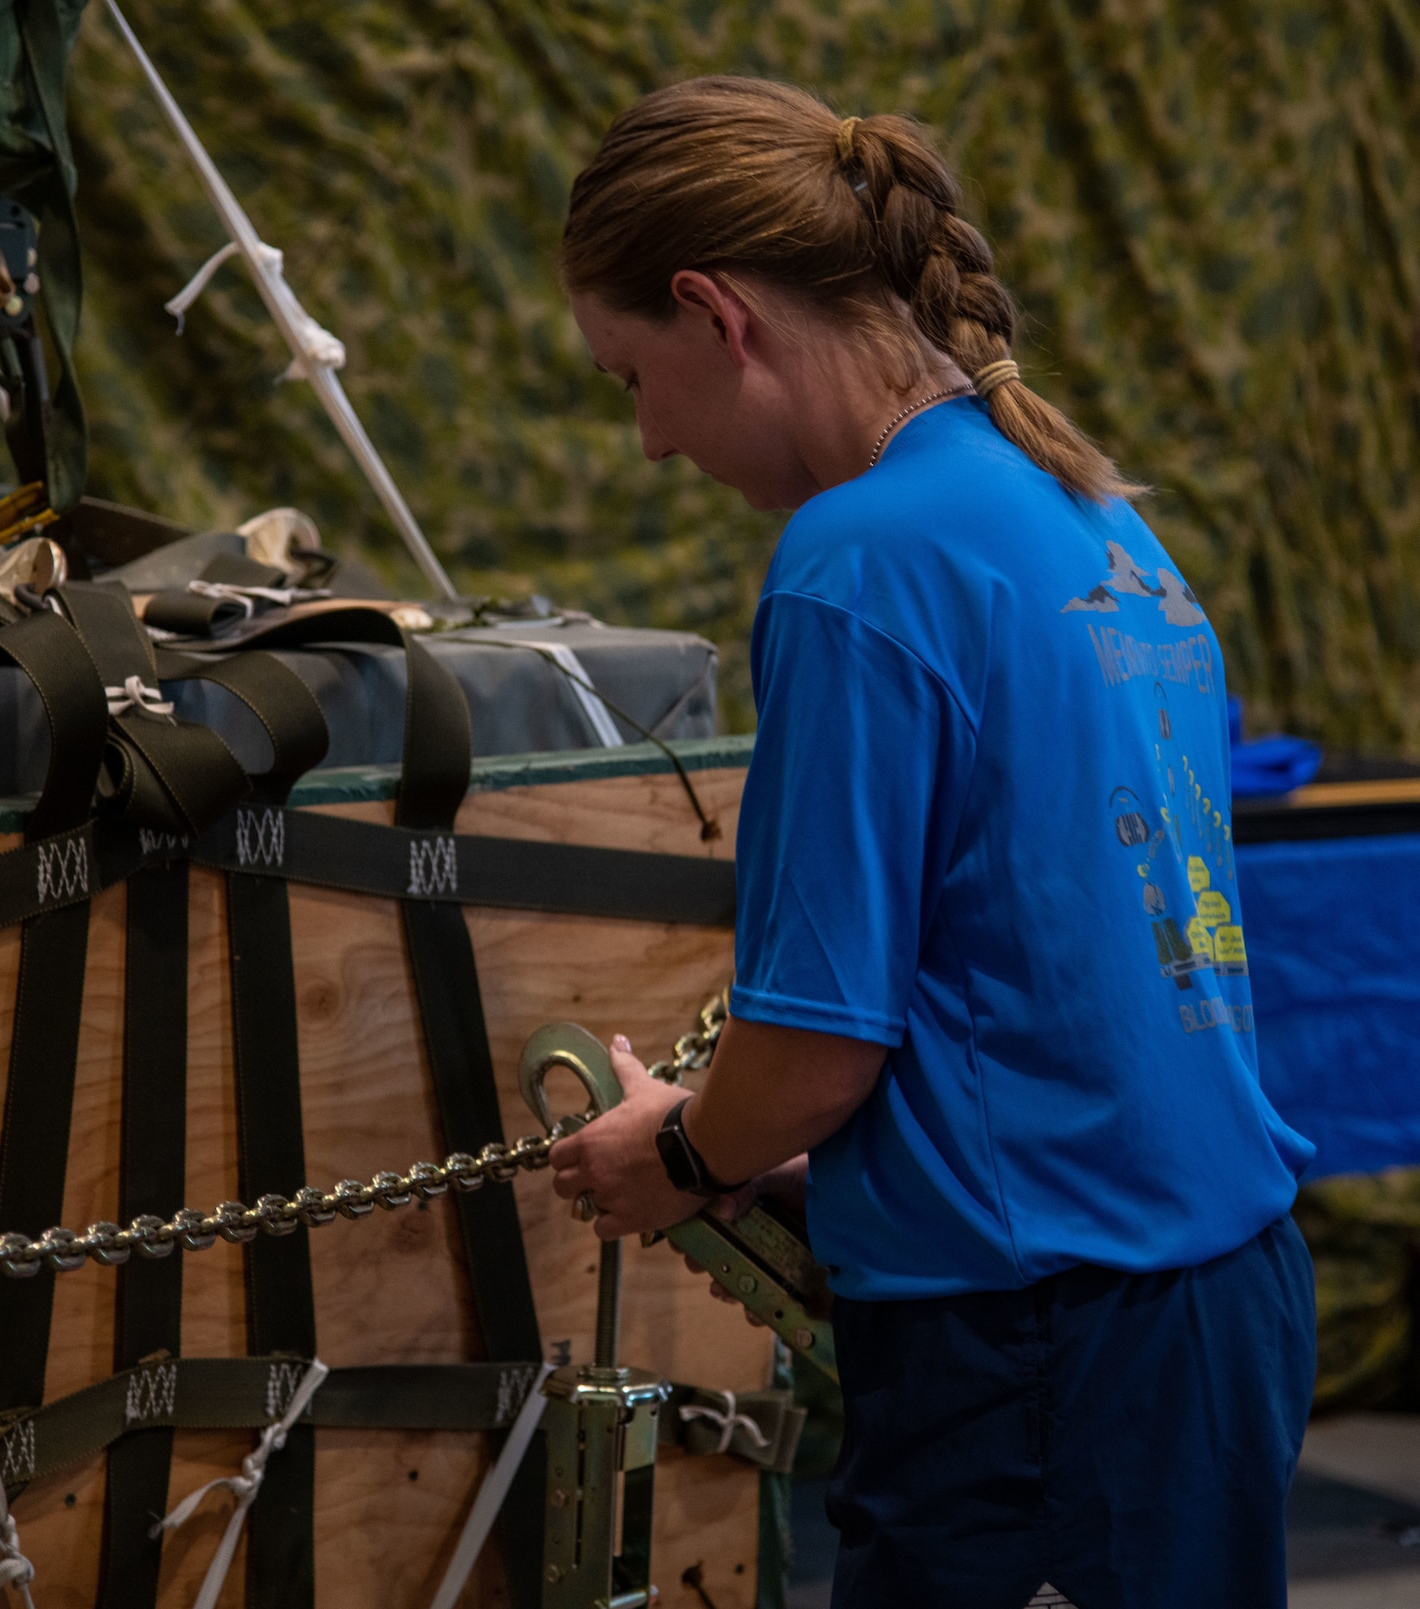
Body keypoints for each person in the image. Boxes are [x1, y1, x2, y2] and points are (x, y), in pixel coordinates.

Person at [547, 77, 1316, 1609]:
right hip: (1221, 1297)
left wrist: (686, 1149)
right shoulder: (1096, 514)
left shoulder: (856, 558)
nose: (643, 441)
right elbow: (1035, 974)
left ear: (716, 313)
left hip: (1032, 1341)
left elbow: (823, 1043)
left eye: (630, 377)